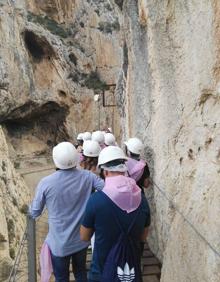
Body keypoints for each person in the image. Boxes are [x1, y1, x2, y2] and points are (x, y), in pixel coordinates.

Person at [29, 142, 104, 282]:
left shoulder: (46, 183)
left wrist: (29, 208)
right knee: (81, 273)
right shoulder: (88, 177)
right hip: (81, 239)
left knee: (61, 277)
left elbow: (35, 212)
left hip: (59, 243)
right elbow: (107, 189)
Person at [80, 146, 151, 282]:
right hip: (131, 269)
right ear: (124, 169)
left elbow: (84, 236)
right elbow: (143, 236)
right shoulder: (142, 200)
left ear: (105, 172)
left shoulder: (96, 200)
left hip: (102, 271)